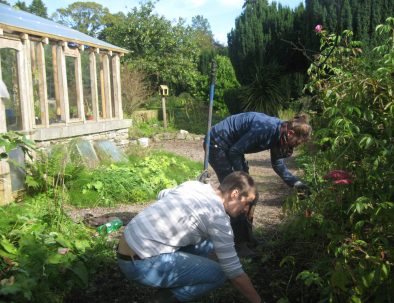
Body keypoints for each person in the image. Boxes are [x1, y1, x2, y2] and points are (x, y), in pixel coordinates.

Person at [117, 171, 262, 303]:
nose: (246, 209)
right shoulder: (218, 219)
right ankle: (164, 299)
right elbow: (234, 273)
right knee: (220, 274)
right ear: (235, 193)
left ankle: (174, 279)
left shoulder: (193, 185)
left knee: (211, 242)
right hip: (140, 264)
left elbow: (161, 194)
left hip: (126, 248)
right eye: (247, 203)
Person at [205, 112, 312, 256]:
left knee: (252, 196)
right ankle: (239, 244)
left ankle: (247, 238)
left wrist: (297, 184)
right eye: (297, 142)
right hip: (217, 143)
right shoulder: (266, 129)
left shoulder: (281, 134)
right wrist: (243, 179)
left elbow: (278, 165)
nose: (296, 146)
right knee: (239, 196)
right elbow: (235, 151)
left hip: (232, 148)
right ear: (291, 133)